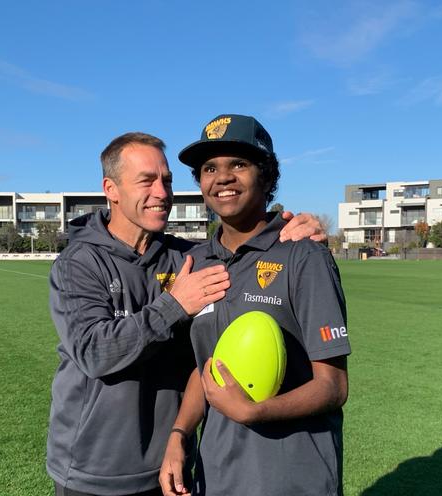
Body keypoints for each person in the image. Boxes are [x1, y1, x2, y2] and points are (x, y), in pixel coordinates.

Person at [47, 132, 326, 496]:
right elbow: (94, 353)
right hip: (96, 471)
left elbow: (241, 248)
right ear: (111, 189)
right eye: (146, 180)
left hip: (172, 465)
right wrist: (174, 305)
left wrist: (295, 227)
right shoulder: (80, 263)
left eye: (167, 180)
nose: (162, 193)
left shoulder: (189, 258)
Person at [159, 115, 350, 496]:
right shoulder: (197, 262)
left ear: (266, 175)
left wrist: (254, 411)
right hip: (216, 475)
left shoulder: (303, 255)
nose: (223, 177)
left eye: (239, 164)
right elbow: (208, 369)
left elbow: (334, 385)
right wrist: (179, 434)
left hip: (292, 478)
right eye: (209, 168)